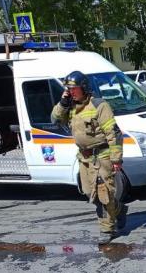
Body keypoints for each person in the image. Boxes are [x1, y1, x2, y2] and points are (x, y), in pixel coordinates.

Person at [51, 71, 126, 243]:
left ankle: (107, 229)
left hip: (102, 157)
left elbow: (113, 133)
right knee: (88, 192)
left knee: (103, 193)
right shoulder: (70, 107)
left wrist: (116, 159)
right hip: (84, 158)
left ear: (84, 88)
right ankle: (118, 209)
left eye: (74, 89)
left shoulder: (99, 105)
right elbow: (55, 119)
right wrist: (62, 102)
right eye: (68, 89)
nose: (71, 92)